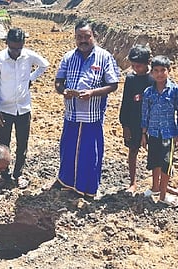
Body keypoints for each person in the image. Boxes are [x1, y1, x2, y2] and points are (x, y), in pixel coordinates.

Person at [54, 19, 120, 199]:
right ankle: (66, 182)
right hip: (72, 114)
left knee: (89, 154)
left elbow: (113, 84)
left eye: (86, 36)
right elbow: (58, 82)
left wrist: (92, 93)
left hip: (92, 115)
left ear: (94, 36)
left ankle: (87, 188)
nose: (83, 40)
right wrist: (64, 91)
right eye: (79, 37)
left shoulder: (104, 57)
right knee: (68, 149)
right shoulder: (68, 57)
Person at [0, 27, 49, 189]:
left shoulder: (28, 56)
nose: (16, 52)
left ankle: (18, 174)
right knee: (3, 144)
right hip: (5, 110)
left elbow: (44, 65)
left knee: (22, 144)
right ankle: (4, 175)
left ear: (23, 44)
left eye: (19, 48)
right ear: (6, 43)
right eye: (13, 48)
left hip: (23, 108)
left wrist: (31, 78)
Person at [141, 55, 178, 207]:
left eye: (163, 70)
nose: (159, 74)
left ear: (169, 71)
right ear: (151, 72)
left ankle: (162, 195)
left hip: (169, 134)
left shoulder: (175, 90)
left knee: (166, 163)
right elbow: (145, 114)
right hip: (153, 133)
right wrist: (144, 134)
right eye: (156, 71)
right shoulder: (148, 92)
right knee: (154, 161)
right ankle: (155, 187)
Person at [119, 44, 153, 194]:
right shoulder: (131, 79)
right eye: (133, 65)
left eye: (138, 66)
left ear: (148, 63)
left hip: (152, 122)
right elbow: (125, 101)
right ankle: (133, 182)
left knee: (156, 152)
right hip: (133, 121)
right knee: (133, 150)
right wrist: (124, 125)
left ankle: (157, 183)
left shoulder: (154, 78)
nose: (135, 69)